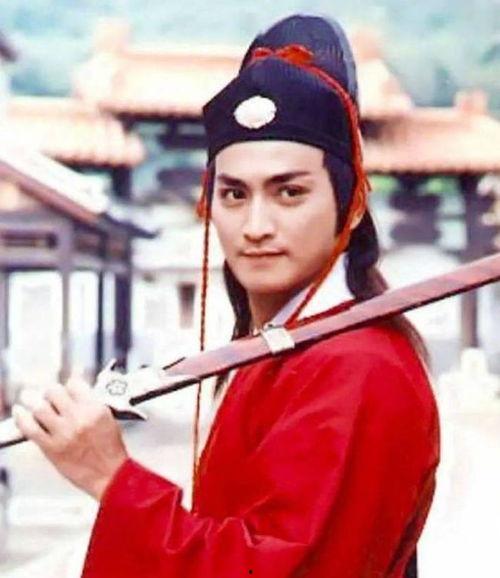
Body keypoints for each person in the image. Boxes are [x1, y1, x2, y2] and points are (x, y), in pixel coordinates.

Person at [12, 14, 439, 578]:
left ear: (353, 204)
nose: (255, 226)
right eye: (234, 194)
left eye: (289, 192)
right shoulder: (281, 348)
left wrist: (112, 478)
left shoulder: (364, 367)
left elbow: (287, 569)